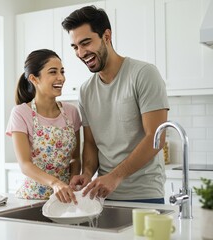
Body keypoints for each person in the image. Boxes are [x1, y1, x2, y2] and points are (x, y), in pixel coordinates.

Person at [62, 6, 169, 204]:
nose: (81, 52)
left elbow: (156, 137)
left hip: (144, 195)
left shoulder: (143, 74)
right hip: (104, 196)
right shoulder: (86, 90)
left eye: (86, 43)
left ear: (106, 36)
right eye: (75, 47)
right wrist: (87, 174)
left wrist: (115, 176)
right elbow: (92, 144)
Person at [6, 49, 81, 203]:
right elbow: (25, 164)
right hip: (33, 199)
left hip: (65, 198)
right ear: (34, 79)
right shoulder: (21, 113)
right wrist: (55, 183)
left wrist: (72, 183)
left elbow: (75, 158)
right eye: (53, 72)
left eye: (62, 71)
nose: (61, 77)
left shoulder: (71, 112)